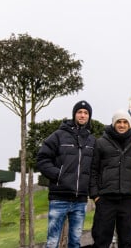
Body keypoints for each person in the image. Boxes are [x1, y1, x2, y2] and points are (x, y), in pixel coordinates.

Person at [36, 100, 96, 248]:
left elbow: (95, 167)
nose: (82, 115)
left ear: (89, 116)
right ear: (74, 114)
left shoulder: (92, 140)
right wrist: (58, 175)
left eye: (86, 113)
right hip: (59, 198)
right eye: (80, 112)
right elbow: (42, 159)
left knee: (75, 242)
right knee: (52, 242)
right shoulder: (58, 135)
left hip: (80, 200)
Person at [89, 109, 131, 248]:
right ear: (113, 123)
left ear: (129, 125)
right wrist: (95, 195)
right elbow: (93, 170)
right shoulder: (101, 143)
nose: (122, 125)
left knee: (127, 241)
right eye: (119, 122)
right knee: (101, 240)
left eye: (125, 122)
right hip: (106, 198)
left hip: (127, 199)